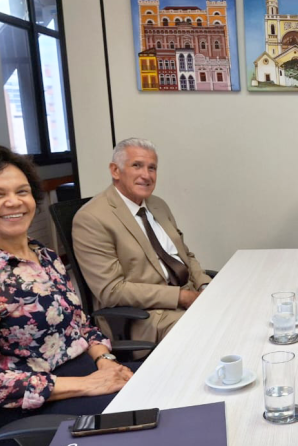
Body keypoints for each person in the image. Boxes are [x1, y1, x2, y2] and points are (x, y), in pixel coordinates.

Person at [0, 144, 137, 446]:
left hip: (88, 375)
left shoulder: (43, 255)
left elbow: (81, 325)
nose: (13, 202)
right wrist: (87, 385)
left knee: (167, 387)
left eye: (22, 191)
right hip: (31, 411)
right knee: (146, 423)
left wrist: (106, 361)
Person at [73, 138, 212, 346]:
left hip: (187, 295)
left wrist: (204, 285)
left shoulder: (158, 205)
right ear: (115, 170)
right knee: (211, 330)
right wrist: (181, 297)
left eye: (152, 168)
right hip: (146, 316)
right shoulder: (91, 219)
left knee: (241, 311)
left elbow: (185, 255)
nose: (146, 175)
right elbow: (112, 291)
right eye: (136, 165)